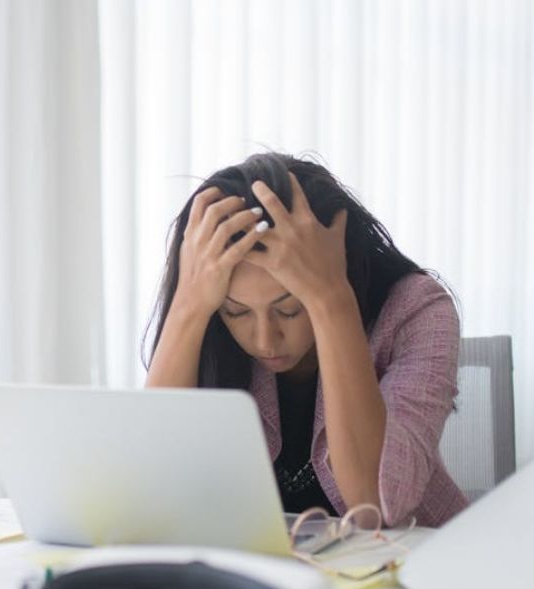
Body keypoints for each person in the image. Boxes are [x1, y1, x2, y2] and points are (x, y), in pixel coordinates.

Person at [144, 153, 466, 528]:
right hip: (265, 570)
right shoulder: (207, 318)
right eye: (237, 312)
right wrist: (189, 306)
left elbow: (375, 505)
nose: (265, 340)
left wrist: (331, 299)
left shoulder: (417, 309)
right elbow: (153, 487)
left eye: (290, 309)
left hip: (405, 568)